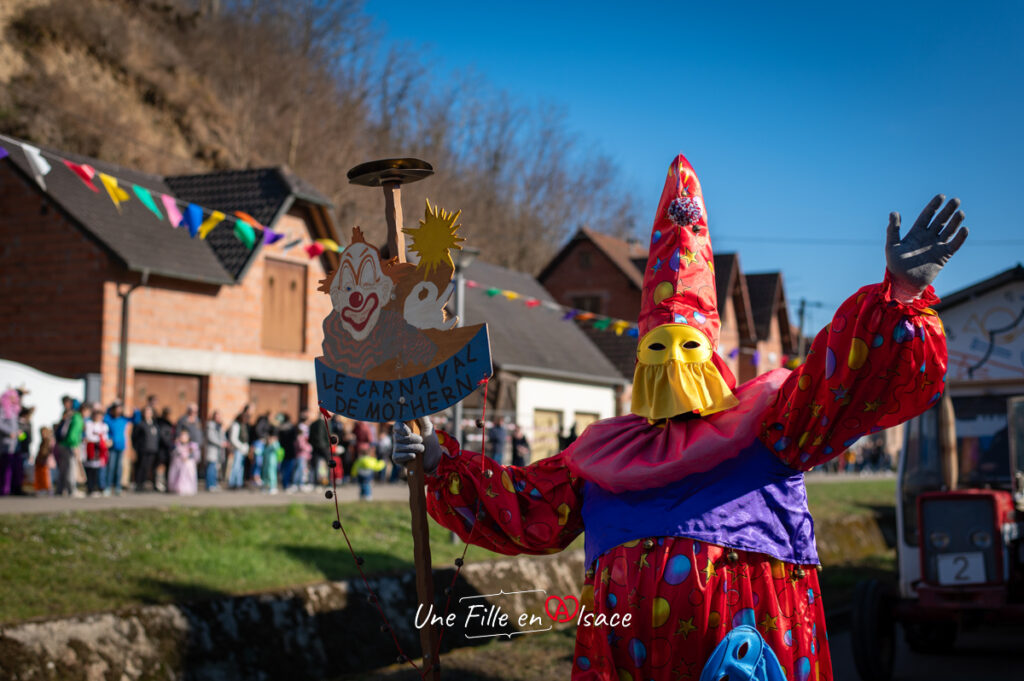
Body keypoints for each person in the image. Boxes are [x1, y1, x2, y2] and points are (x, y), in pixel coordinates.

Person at [392, 154, 968, 681]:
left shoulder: (775, 424)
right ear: (639, 359)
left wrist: (900, 294)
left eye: (689, 347)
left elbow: (840, 376)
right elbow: (525, 506)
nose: (674, 362)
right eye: (658, 349)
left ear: (714, 355)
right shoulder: (599, 456)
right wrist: (441, 460)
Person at [54, 398, 84, 497]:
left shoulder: (69, 416)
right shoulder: (77, 417)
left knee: (63, 468)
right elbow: (73, 435)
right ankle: (72, 490)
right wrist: (74, 446)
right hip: (70, 445)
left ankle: (60, 489)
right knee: (70, 468)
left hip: (62, 444)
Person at [104, 400, 131, 496]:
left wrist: (134, 410)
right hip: (112, 447)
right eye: (116, 409)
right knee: (110, 467)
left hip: (121, 446)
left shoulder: (123, 419)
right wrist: (111, 405)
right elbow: (104, 416)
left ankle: (118, 487)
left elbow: (136, 419)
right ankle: (107, 486)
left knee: (119, 468)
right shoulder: (109, 419)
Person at [82, 403, 109, 496]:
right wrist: (99, 438)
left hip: (100, 450)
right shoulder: (89, 424)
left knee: (99, 469)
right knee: (90, 469)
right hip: (91, 449)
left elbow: (105, 438)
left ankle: (100, 487)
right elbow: (89, 436)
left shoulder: (104, 426)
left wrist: (100, 439)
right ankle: (90, 488)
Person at [131, 406, 160, 492]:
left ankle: (149, 483)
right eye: (146, 412)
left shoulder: (154, 424)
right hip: (143, 449)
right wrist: (136, 447)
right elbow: (134, 437)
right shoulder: (140, 424)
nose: (148, 414)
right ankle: (139, 484)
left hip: (153, 449)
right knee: (142, 467)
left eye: (149, 412)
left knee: (150, 467)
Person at [0, 389, 22, 495]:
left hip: (14, 444)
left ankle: (12, 488)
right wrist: (9, 433)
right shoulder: (3, 409)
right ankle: (4, 489)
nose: (14, 399)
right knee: (5, 468)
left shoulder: (14, 410)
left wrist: (18, 432)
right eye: (12, 397)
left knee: (13, 467)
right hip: (5, 443)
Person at [167, 428, 200, 495]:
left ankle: (187, 488)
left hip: (188, 463)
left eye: (185, 436)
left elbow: (195, 455)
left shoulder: (192, 445)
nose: (183, 438)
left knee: (188, 465)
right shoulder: (177, 445)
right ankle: (178, 487)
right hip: (179, 463)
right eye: (182, 436)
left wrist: (188, 457)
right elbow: (174, 453)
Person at [227, 406, 251, 490]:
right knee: (236, 466)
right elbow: (233, 439)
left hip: (243, 448)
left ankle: (238, 483)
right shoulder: (236, 425)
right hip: (238, 448)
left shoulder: (243, 425)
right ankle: (232, 482)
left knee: (241, 467)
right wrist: (241, 446)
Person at [203, 410, 227, 491]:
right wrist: (221, 443)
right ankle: (210, 485)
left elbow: (222, 436)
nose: (219, 418)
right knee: (211, 467)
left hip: (218, 452)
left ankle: (214, 483)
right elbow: (211, 437)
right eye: (217, 416)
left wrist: (225, 442)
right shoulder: (210, 425)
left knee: (216, 468)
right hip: (212, 450)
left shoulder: (219, 426)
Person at [309, 411, 331, 488]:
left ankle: (316, 482)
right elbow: (328, 435)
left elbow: (310, 437)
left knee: (315, 465)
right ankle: (329, 482)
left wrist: (313, 444)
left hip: (315, 446)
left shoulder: (313, 424)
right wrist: (328, 444)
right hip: (324, 446)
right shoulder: (326, 423)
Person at [155, 407, 175, 492]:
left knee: (168, 466)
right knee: (160, 465)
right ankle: (158, 483)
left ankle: (166, 483)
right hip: (162, 448)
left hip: (168, 448)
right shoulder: (160, 423)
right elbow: (163, 436)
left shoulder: (169, 423)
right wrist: (169, 444)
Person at [34, 426, 54, 496]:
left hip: (45, 461)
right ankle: (40, 488)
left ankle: (48, 489)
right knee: (39, 476)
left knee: (46, 476)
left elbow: (49, 452)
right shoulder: (42, 441)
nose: (42, 434)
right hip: (40, 460)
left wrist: (47, 459)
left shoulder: (49, 441)